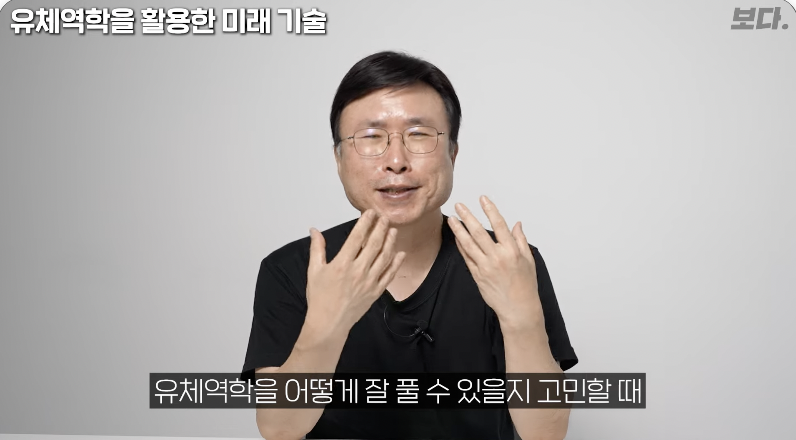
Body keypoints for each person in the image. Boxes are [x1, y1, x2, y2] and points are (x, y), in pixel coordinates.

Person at [241, 50, 578, 440]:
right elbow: (279, 428)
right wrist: (325, 325)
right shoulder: (292, 268)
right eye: (371, 137)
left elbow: (545, 432)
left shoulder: (508, 262)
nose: (396, 161)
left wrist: (523, 320)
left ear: (453, 152)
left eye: (419, 135)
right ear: (339, 159)